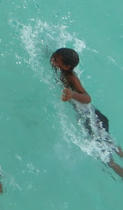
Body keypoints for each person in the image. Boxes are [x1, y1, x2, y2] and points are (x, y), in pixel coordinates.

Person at [50, 47, 123, 177]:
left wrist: (72, 94)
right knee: (112, 145)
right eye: (54, 56)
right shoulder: (62, 69)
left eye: (56, 60)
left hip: (93, 119)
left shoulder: (71, 77)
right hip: (93, 117)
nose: (53, 60)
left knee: (108, 158)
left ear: (67, 67)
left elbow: (87, 97)